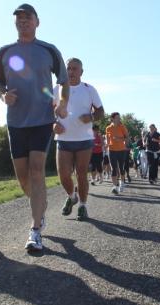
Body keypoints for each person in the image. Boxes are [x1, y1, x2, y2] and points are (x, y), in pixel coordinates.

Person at [0, 3, 69, 251]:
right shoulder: (4, 52)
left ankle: (35, 230)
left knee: (37, 171)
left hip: (43, 119)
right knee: (24, 179)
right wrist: (4, 96)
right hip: (16, 122)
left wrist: (63, 104)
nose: (23, 21)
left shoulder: (48, 50)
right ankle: (41, 207)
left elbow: (64, 82)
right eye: (19, 18)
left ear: (37, 22)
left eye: (28, 18)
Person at [53, 57, 104, 221]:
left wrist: (90, 117)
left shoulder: (89, 90)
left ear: (81, 72)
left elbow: (101, 112)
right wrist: (53, 125)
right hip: (63, 138)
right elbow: (46, 112)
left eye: (75, 69)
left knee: (81, 173)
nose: (71, 71)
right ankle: (72, 196)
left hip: (84, 139)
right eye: (68, 68)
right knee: (63, 174)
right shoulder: (56, 89)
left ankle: (82, 205)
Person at [105, 112, 129, 194]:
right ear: (112, 119)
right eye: (117, 118)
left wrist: (119, 139)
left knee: (121, 168)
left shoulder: (122, 127)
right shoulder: (108, 128)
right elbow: (108, 140)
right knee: (113, 168)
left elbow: (127, 138)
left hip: (121, 150)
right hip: (111, 150)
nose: (119, 119)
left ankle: (122, 183)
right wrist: (106, 145)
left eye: (119, 117)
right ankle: (115, 187)